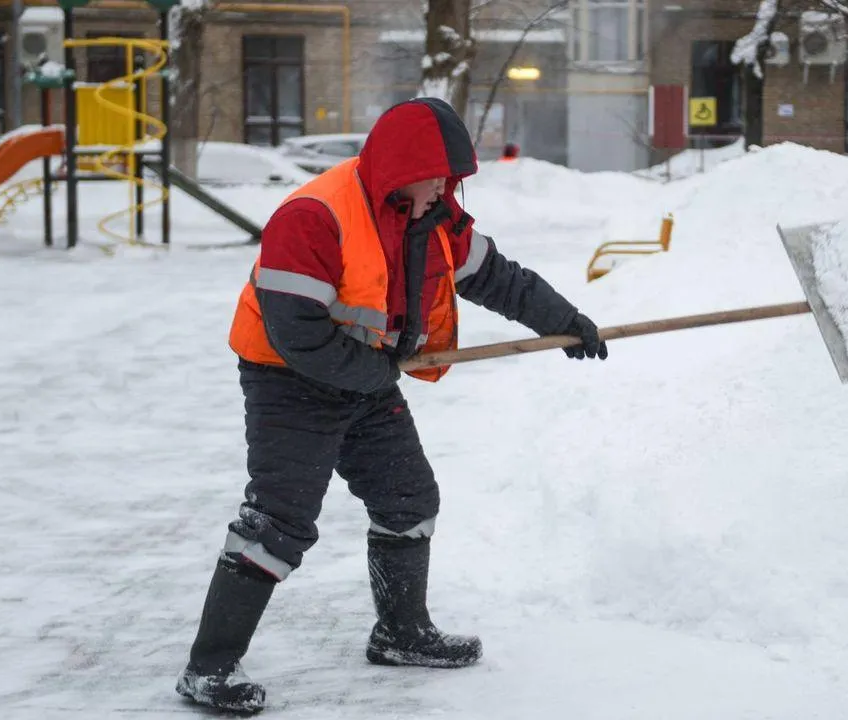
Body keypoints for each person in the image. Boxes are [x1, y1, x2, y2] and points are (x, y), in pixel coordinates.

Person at [175, 97, 607, 714]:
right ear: (404, 166)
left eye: (453, 180)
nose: (447, 188)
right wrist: (373, 370)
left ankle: (401, 634)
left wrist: (564, 321)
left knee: (408, 498)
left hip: (364, 377)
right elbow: (294, 331)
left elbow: (495, 277)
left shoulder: (432, 214)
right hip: (288, 379)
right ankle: (209, 667)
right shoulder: (315, 215)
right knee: (280, 520)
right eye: (440, 176)